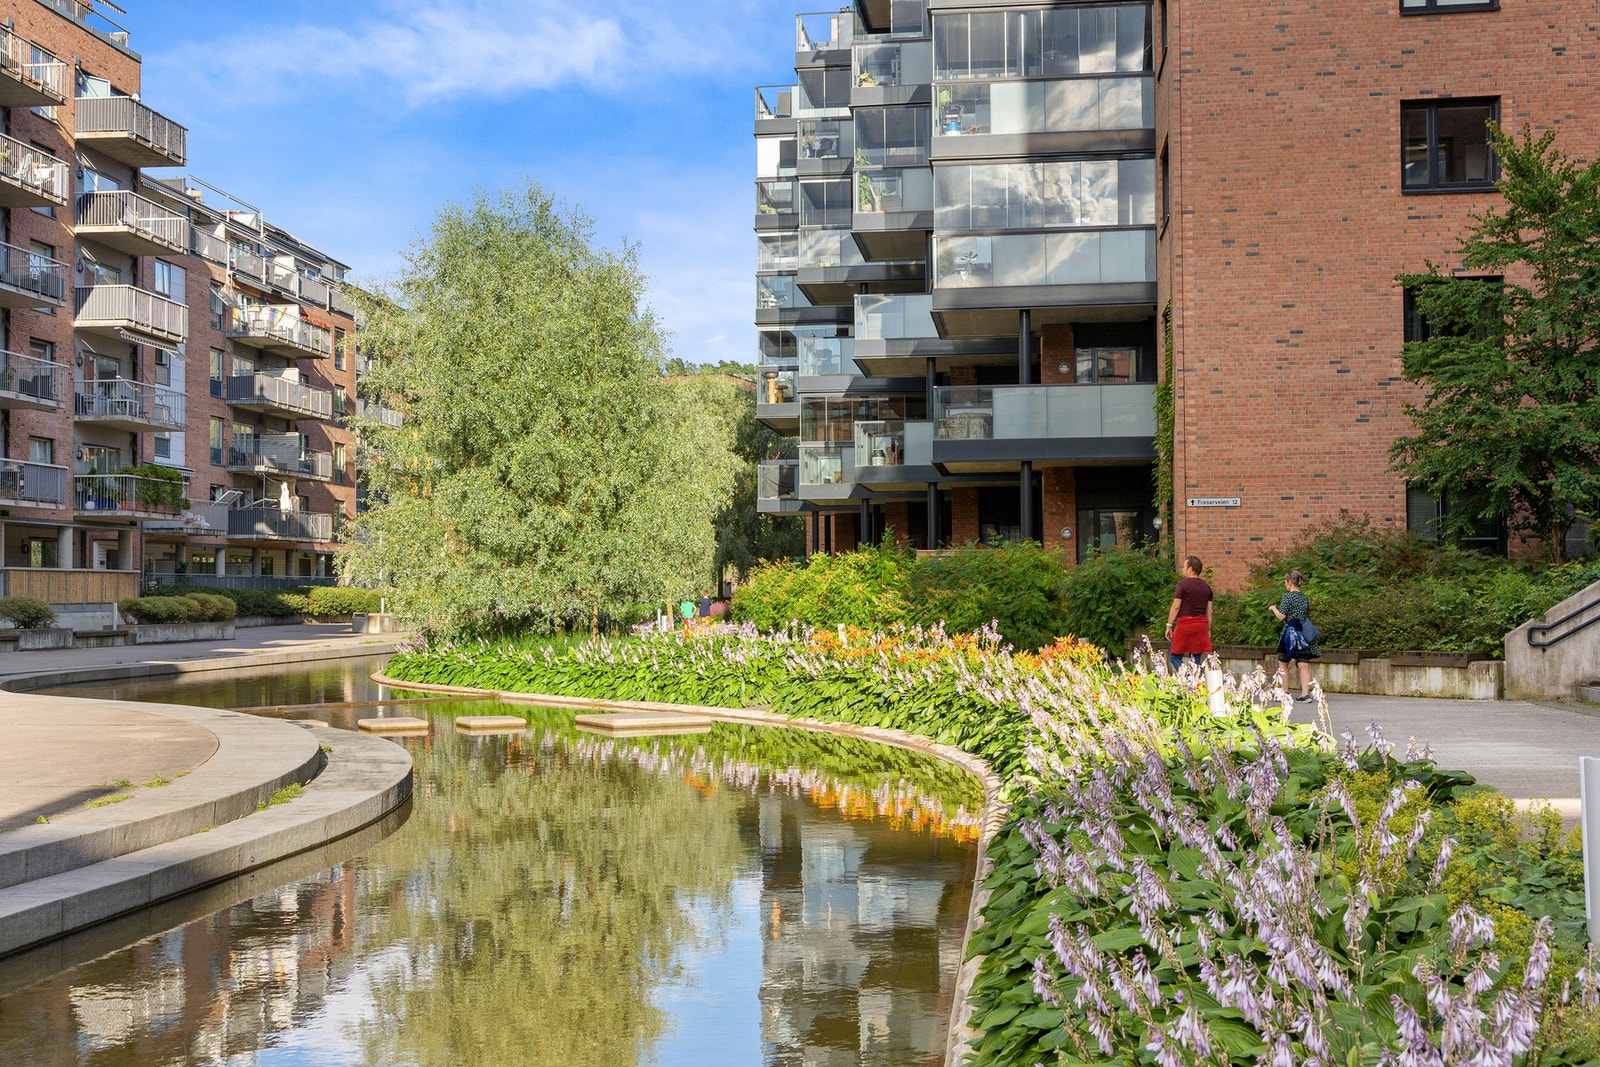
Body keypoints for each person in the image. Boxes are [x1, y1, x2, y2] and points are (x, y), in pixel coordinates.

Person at [1269, 569, 1320, 701]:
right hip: (1303, 633)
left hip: (1290, 633)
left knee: (1283, 662)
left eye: (1285, 582)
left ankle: (1285, 692)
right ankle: (1305, 694)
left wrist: (1273, 608)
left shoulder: (1287, 597)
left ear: (1290, 582)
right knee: (1303, 663)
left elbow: (1281, 616)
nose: (1285, 585)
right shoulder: (1304, 598)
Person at [1164, 555, 1213, 674]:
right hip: (1201, 626)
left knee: (1175, 657)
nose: (1183, 570)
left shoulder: (1182, 585)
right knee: (1195, 659)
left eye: (1184, 567)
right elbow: (1210, 611)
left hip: (1185, 624)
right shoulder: (1206, 587)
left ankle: (1187, 678)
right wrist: (1208, 630)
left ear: (1190, 569)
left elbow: (1176, 606)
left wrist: (1169, 625)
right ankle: (1195, 682)